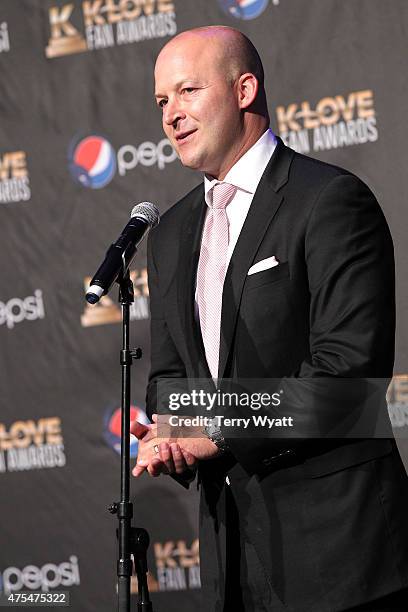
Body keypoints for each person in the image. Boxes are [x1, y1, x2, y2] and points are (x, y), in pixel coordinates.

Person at [130, 26, 408, 611]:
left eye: (186, 92)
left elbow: (347, 381)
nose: (171, 115)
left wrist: (218, 432)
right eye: (161, 102)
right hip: (234, 563)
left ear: (244, 89)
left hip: (341, 557)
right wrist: (171, 435)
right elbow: (172, 376)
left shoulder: (328, 199)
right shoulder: (172, 232)